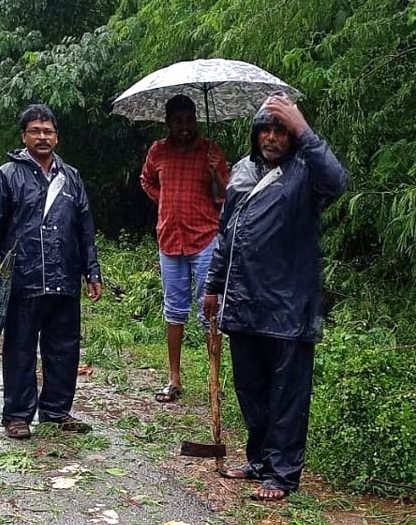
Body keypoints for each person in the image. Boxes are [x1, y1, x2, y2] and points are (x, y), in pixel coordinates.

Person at [202, 94, 349, 502]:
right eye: (265, 129)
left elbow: (339, 181)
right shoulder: (241, 173)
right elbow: (226, 234)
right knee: (252, 389)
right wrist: (213, 286)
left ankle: (283, 474)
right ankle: (260, 461)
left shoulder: (305, 173)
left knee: (287, 392)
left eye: (279, 130)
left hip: (288, 305)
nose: (271, 137)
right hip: (242, 299)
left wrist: (302, 126)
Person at [0, 105, 103, 439]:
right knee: (20, 347)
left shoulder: (71, 177)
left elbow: (85, 228)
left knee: (64, 347)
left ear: (57, 137)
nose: (42, 137)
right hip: (23, 277)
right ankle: (17, 416)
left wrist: (93, 271)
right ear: (24, 136)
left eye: (48, 131)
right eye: (35, 131)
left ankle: (56, 411)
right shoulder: (6, 176)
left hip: (65, 276)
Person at [140, 94, 229, 403]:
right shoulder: (158, 151)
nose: (185, 127)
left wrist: (217, 170)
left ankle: (214, 381)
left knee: (210, 312)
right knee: (174, 310)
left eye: (189, 120)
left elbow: (226, 195)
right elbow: (146, 180)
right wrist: (163, 200)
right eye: (178, 121)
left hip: (205, 239)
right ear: (168, 123)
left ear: (196, 120)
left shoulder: (210, 151)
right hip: (169, 240)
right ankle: (174, 379)